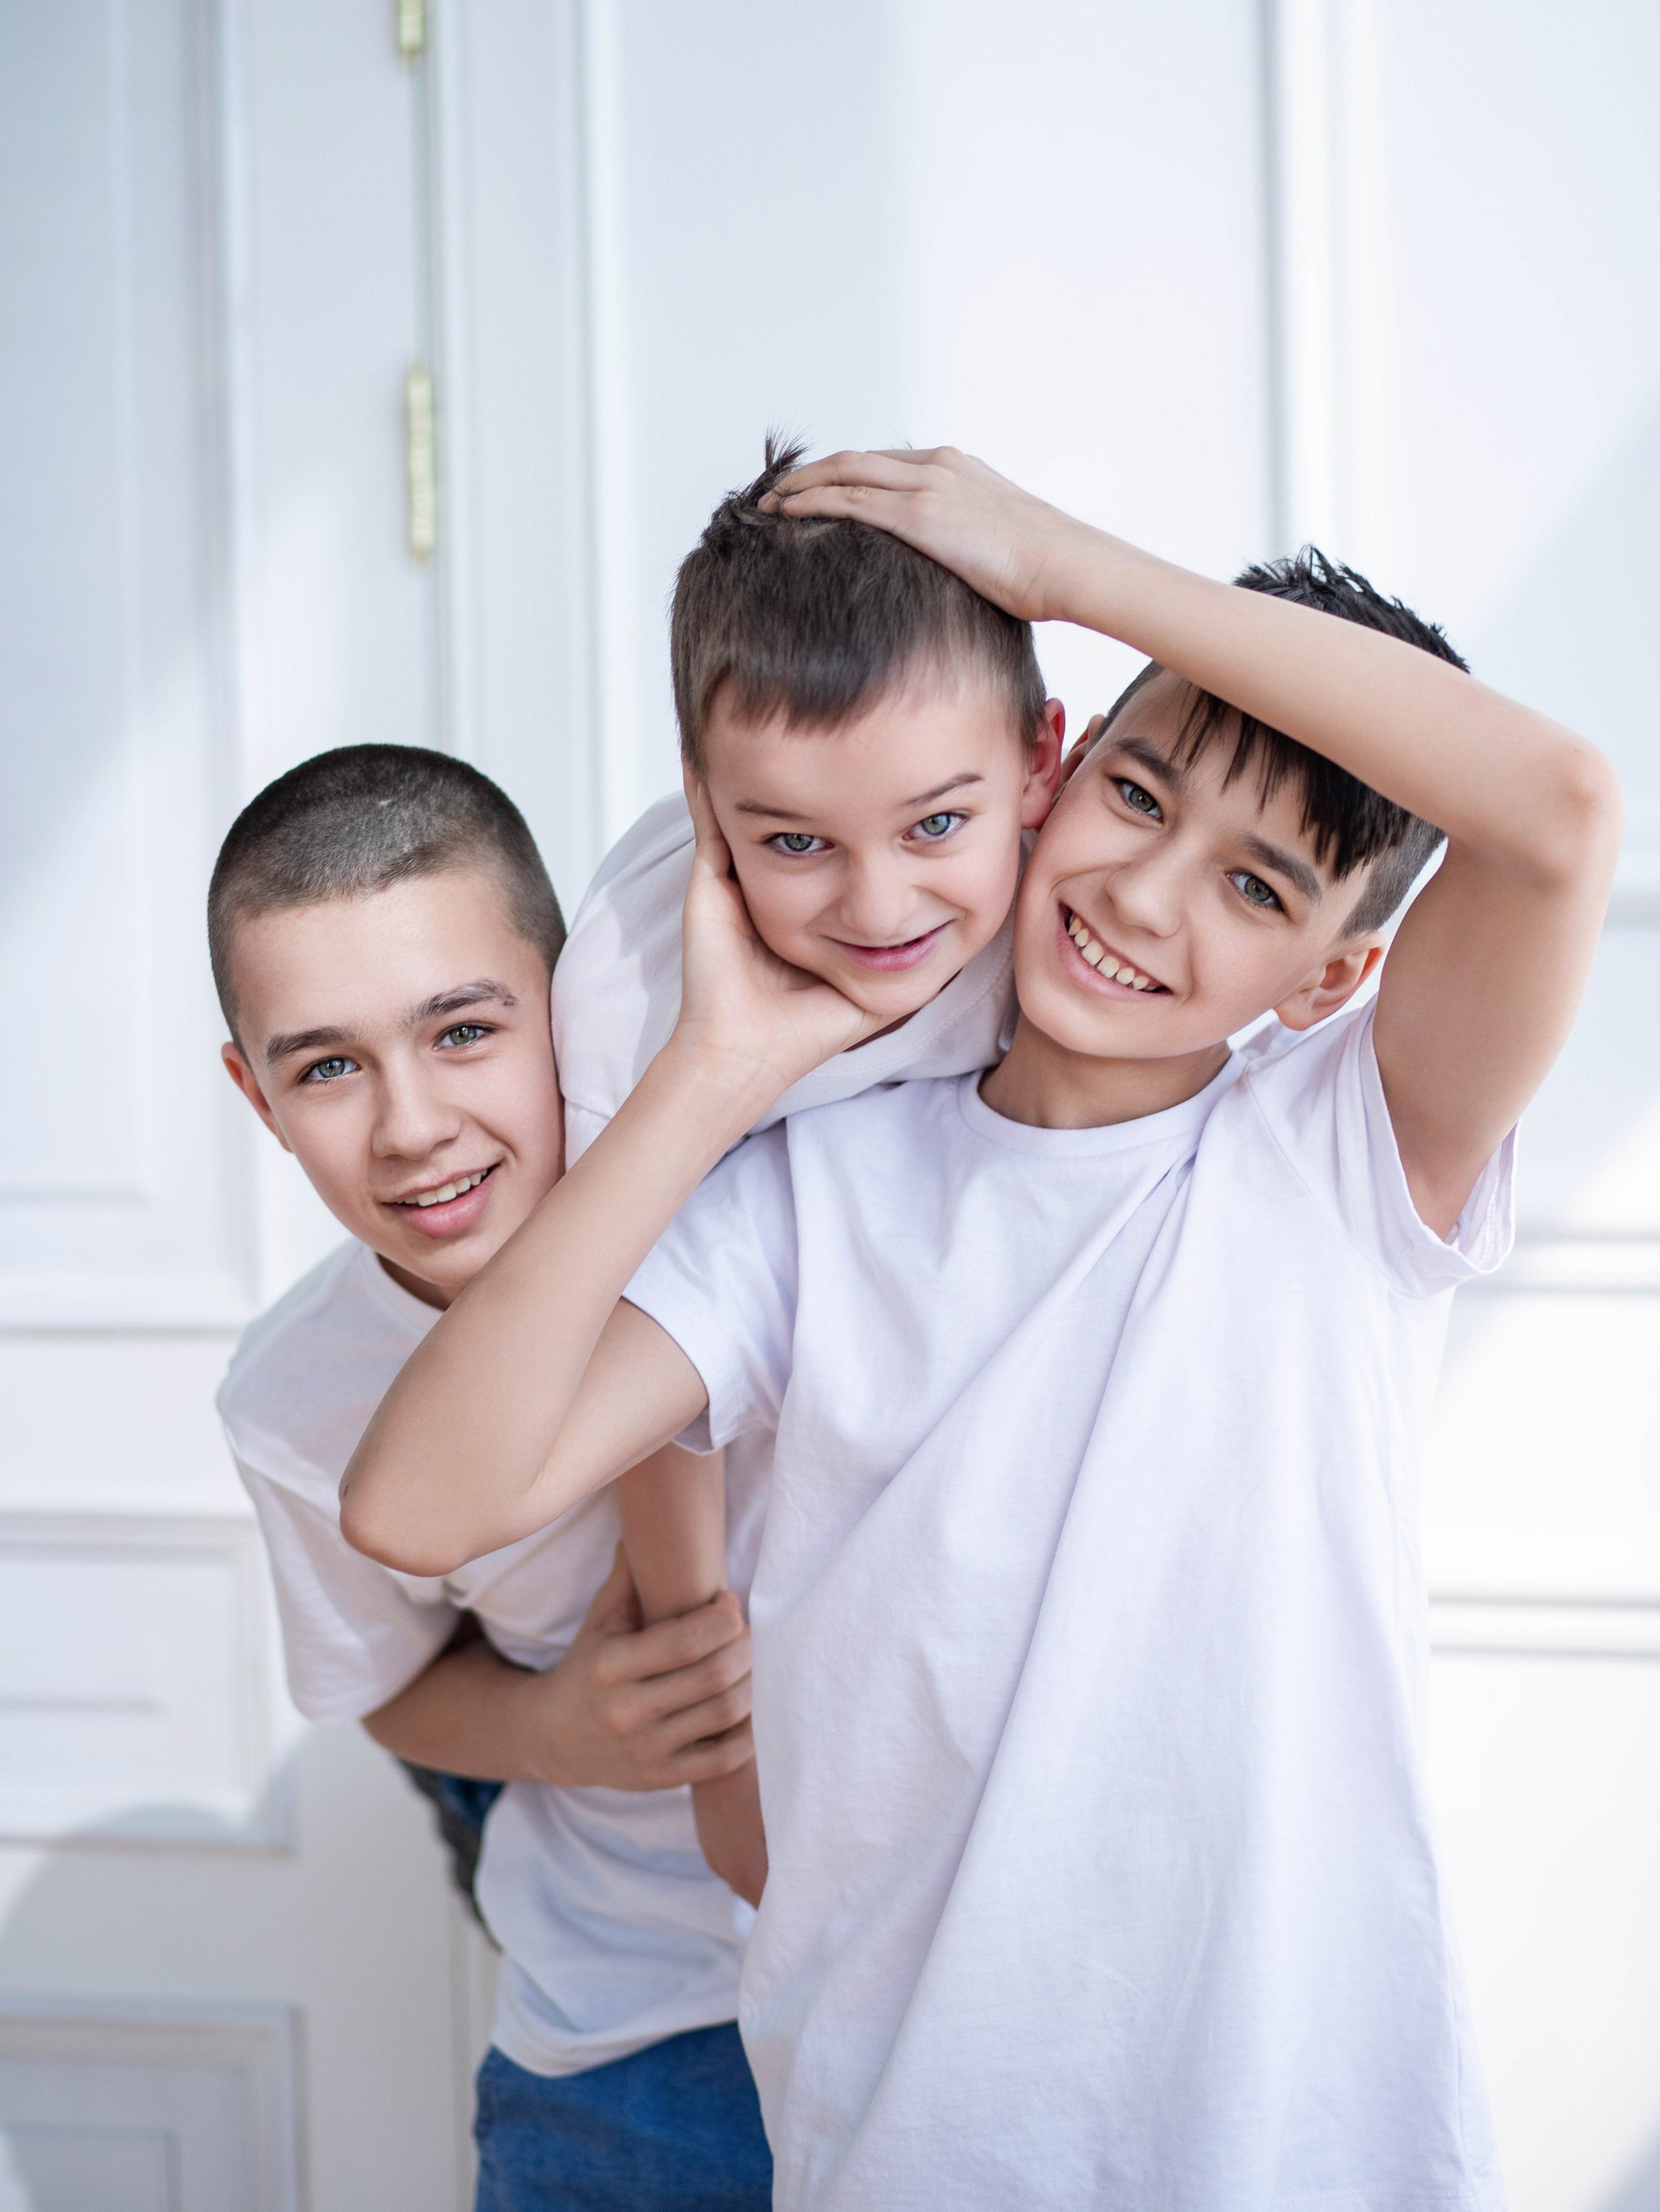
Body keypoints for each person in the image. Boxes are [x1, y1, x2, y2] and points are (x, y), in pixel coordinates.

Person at [342, 447, 1622, 2209]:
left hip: (1294, 2148)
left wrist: (1063, 562)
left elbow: (1559, 811)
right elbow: (417, 1505)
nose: (1148, 897)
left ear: (1333, 976)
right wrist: (713, 1071)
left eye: (1257, 889)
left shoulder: (1341, 1158)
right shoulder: (806, 1199)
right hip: (913, 2143)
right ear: (1059, 768)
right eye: (1140, 797)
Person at [211, 745, 772, 2212]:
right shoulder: (295, 1401)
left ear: (565, 1002)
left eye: (463, 1030)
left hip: (918, 1965)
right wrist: (554, 1728)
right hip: (634, 2024)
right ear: (255, 1096)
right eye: (327, 1067)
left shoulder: (760, 1189)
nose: (410, 1126)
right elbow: (388, 1688)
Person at [550, 438, 1064, 1897]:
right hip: (694, 1467)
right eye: (793, 842)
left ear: (1044, 761)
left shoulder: (1085, 894)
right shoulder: (634, 992)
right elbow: (637, 1360)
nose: (881, 905)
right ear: (705, 807)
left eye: (938, 824)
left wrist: (1071, 567)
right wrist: (714, 1729)